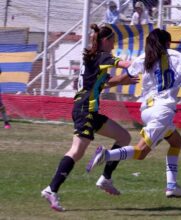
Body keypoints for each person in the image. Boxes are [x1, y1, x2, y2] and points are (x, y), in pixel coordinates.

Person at [86, 28, 181, 198]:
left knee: (176, 141)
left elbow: (122, 78)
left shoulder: (144, 57)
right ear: (168, 43)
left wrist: (102, 84)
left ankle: (172, 185)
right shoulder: (178, 56)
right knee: (141, 152)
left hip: (147, 110)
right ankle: (106, 155)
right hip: (163, 111)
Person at [41, 24, 139, 212]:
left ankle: (105, 179)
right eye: (112, 41)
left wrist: (123, 80)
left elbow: (104, 83)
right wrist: (145, 61)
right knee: (77, 151)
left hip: (90, 111)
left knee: (124, 137)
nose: (113, 44)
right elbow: (126, 64)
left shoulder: (95, 58)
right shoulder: (103, 56)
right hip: (85, 110)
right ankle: (51, 189)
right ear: (105, 41)